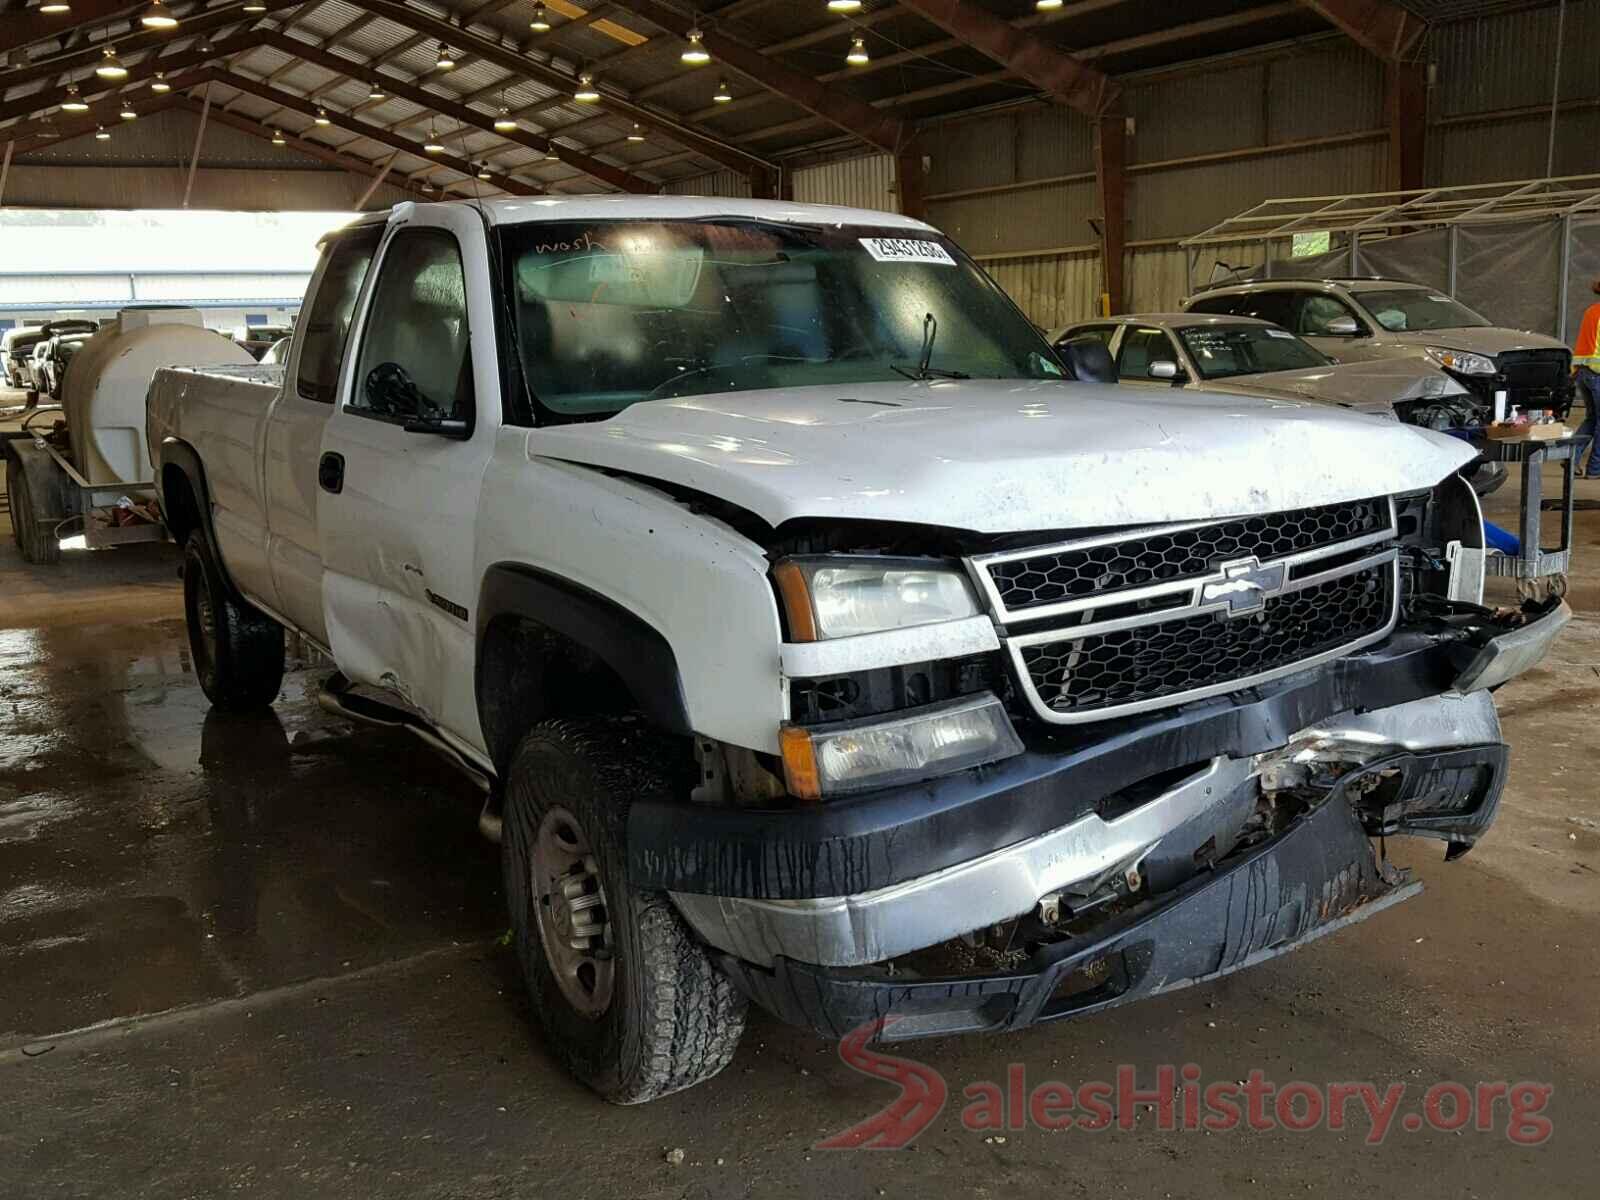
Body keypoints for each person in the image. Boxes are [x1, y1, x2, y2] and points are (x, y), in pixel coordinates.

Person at [1576, 279, 1600, 479]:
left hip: (1583, 373)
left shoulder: (1591, 311)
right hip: (1598, 374)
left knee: (1592, 419)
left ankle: (1571, 461)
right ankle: (1595, 469)